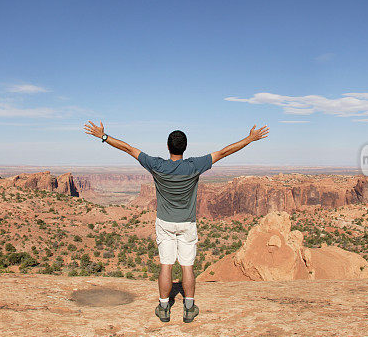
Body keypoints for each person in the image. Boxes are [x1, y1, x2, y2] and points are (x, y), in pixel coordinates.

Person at [84, 121, 269, 323]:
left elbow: (129, 149)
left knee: (166, 265)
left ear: (167, 147)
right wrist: (250, 139)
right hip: (187, 224)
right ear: (185, 147)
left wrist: (103, 136)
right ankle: (189, 308)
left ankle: (164, 308)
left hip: (165, 223)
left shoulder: (157, 165)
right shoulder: (194, 165)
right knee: (187, 267)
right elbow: (224, 152)